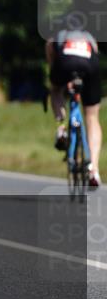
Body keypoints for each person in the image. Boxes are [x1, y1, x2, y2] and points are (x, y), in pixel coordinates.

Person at [46, 29, 102, 187]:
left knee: (55, 91)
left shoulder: (59, 32)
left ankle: (61, 127)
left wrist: (55, 73)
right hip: (90, 64)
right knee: (92, 116)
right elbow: (95, 52)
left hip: (65, 61)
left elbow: (50, 47)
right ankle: (94, 170)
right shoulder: (89, 35)